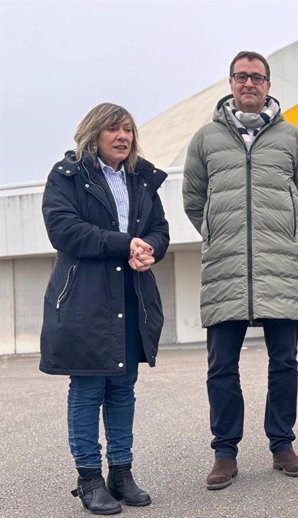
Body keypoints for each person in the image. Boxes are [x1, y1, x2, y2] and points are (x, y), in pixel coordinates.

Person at [183, 50, 298, 489]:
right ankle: (225, 452)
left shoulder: (294, 138)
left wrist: (290, 233)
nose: (249, 84)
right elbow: (193, 199)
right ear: (229, 82)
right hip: (226, 268)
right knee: (221, 366)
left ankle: (282, 444)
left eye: (257, 78)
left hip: (280, 265)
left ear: (268, 85)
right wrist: (218, 232)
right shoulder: (205, 139)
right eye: (241, 76)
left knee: (285, 362)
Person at [40, 103, 170, 514]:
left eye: (128, 129)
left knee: (122, 390)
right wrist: (123, 243)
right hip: (84, 302)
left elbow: (159, 229)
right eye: (113, 129)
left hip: (131, 297)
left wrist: (151, 249)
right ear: (93, 133)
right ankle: (90, 479)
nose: (123, 136)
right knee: (87, 391)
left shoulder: (141, 179)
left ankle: (121, 472)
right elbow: (64, 230)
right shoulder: (67, 177)